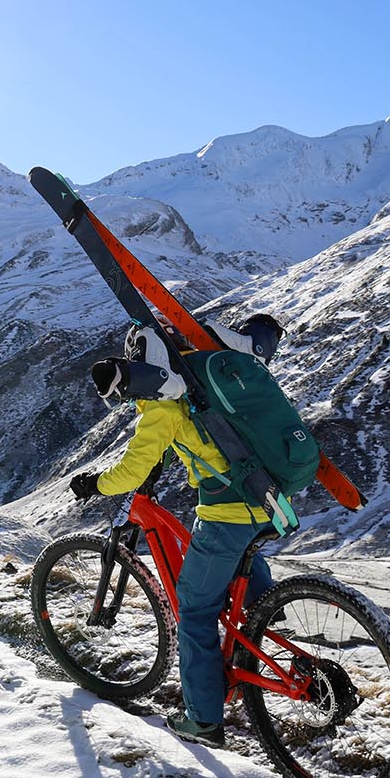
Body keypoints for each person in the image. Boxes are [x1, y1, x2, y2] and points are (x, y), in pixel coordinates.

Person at [70, 313, 287, 749]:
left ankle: (204, 721)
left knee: (193, 609)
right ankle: (262, 618)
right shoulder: (202, 382)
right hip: (269, 496)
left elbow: (132, 469)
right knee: (235, 556)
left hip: (229, 508)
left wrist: (95, 483)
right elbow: (200, 437)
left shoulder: (164, 405)